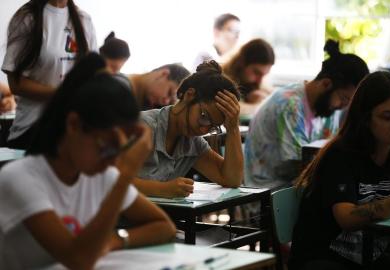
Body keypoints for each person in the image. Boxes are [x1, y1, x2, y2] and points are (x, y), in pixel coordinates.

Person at [0, 53, 176, 270]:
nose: (111, 162)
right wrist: (125, 175)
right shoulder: (19, 178)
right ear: (73, 125)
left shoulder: (99, 172)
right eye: (105, 147)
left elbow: (164, 227)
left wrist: (113, 241)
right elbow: (78, 260)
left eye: (118, 150)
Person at [289, 71, 390, 270]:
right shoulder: (340, 155)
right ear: (366, 119)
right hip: (326, 256)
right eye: (388, 117)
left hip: (371, 252)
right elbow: (347, 218)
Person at [244, 40, 369, 190]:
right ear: (326, 84)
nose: (345, 105)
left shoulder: (328, 107)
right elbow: (302, 165)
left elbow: (328, 155)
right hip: (267, 190)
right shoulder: (289, 104)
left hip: (295, 185)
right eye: (344, 98)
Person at [133, 60, 243, 198]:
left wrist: (233, 128)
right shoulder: (143, 126)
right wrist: (162, 189)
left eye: (213, 127)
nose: (204, 130)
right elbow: (109, 181)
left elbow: (231, 179)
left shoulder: (192, 142)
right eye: (204, 117)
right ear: (189, 95)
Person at [1, 0, 98, 150]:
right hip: (32, 132)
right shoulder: (28, 17)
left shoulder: (83, 19)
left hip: (72, 131)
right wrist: (62, 95)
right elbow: (16, 84)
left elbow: (94, 75)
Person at [222, 38, 275, 114]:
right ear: (242, 62)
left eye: (264, 75)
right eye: (256, 72)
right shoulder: (221, 78)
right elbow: (227, 107)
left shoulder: (256, 81)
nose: (260, 80)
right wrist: (261, 105)